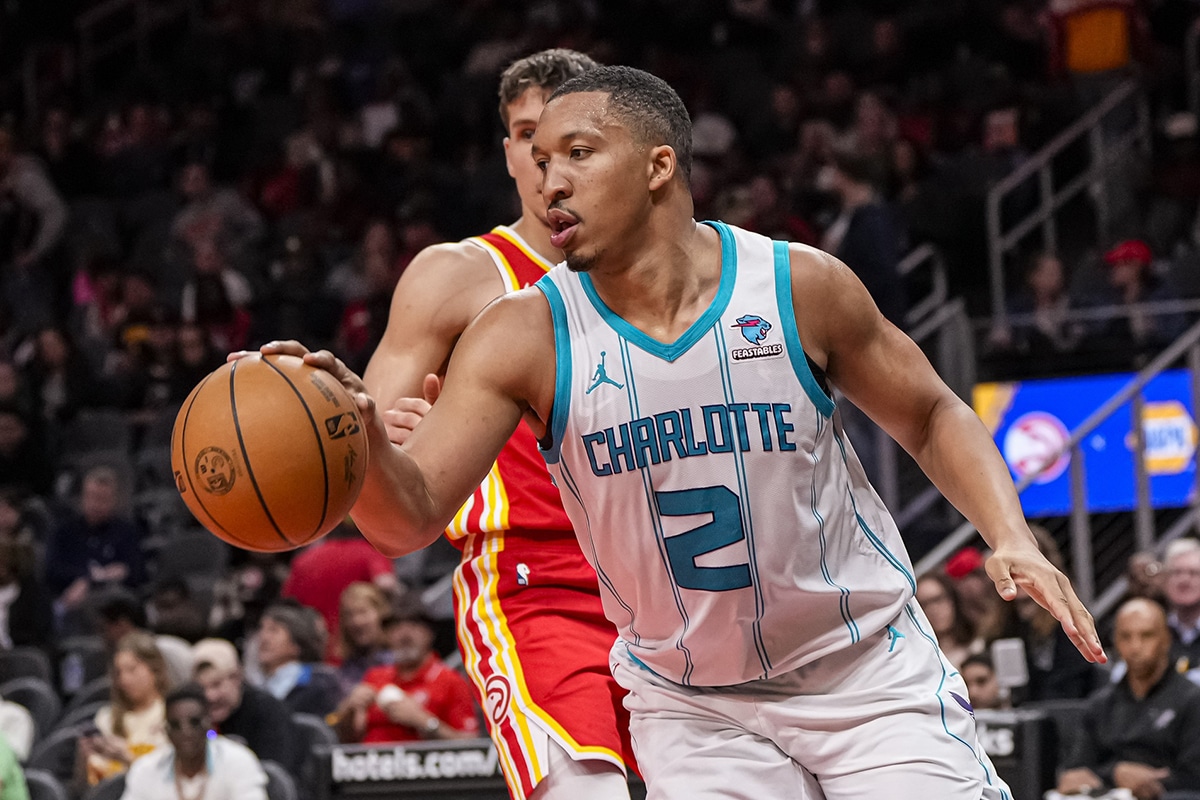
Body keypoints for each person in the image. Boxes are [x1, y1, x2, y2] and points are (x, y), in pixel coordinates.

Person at [254, 65, 1105, 799]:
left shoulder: (798, 284)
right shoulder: (520, 335)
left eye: (578, 155)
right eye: (540, 161)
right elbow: (407, 519)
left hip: (864, 671)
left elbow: (930, 411)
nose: (549, 183)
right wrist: (359, 435)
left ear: (660, 165)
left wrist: (1010, 535)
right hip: (695, 702)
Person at [360, 48, 636, 800]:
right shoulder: (457, 275)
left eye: (568, 141)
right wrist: (384, 437)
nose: (545, 160)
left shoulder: (665, 272)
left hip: (670, 577)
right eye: (524, 136)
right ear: (508, 150)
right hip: (533, 581)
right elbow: (369, 440)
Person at [1054, 598, 1200, 799]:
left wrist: (1153, 783)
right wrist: (1117, 773)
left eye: (1146, 636)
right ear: (1115, 641)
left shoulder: (1192, 700)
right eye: (1126, 637)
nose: (1135, 646)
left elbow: (1194, 777)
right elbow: (1074, 773)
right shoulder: (1100, 705)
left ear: (1166, 639)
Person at [331, 596, 479, 745]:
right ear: (387, 636)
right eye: (396, 627)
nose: (405, 634)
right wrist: (349, 709)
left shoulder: (451, 681)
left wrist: (425, 722)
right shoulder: (374, 676)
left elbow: (473, 746)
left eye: (414, 624)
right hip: (369, 763)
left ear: (430, 633)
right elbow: (346, 739)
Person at [120, 683, 268, 800]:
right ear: (166, 731)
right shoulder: (146, 770)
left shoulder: (238, 761)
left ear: (209, 724)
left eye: (195, 722)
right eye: (175, 725)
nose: (186, 732)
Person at [191, 637, 301, 778]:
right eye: (201, 688)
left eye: (216, 685)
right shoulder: (193, 718)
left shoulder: (268, 712)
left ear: (237, 678)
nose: (210, 696)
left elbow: (276, 778)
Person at [78, 631, 171, 787]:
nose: (124, 680)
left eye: (132, 670)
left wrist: (127, 757)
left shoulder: (171, 716)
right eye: (119, 672)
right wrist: (82, 760)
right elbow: (86, 785)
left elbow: (170, 778)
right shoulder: (105, 718)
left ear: (155, 669)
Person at [252, 599, 342, 717]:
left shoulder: (320, 684)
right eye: (262, 629)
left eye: (274, 630)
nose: (264, 637)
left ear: (296, 645)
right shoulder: (253, 692)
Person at [332, 582, 393, 694]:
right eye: (349, 615)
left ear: (381, 614)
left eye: (363, 612)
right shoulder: (348, 666)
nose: (356, 622)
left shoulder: (397, 661)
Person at [915, 572, 983, 671]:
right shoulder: (918, 661)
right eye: (924, 605)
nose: (933, 609)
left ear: (952, 600)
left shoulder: (980, 645)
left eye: (937, 600)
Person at [1162, 538, 1200, 671]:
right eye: (1176, 572)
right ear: (1165, 580)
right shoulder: (1155, 634)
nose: (1184, 580)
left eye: (1193, 573)